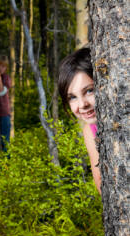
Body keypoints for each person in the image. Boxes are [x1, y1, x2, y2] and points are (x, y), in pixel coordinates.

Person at [58, 48, 101, 194]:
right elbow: (102, 184)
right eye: (72, 97)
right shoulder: (90, 132)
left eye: (89, 90)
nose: (83, 104)